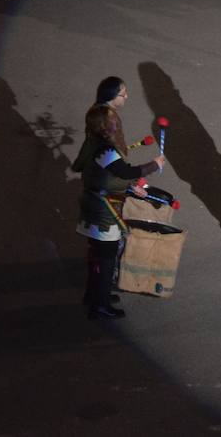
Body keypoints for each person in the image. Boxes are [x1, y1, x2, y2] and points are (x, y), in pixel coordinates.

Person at [72, 77, 165, 319]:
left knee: (99, 255)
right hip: (102, 210)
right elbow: (124, 172)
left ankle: (95, 295)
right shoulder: (105, 149)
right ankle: (99, 304)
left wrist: (133, 185)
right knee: (106, 257)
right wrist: (153, 165)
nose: (126, 97)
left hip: (97, 205)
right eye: (123, 93)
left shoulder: (97, 144)